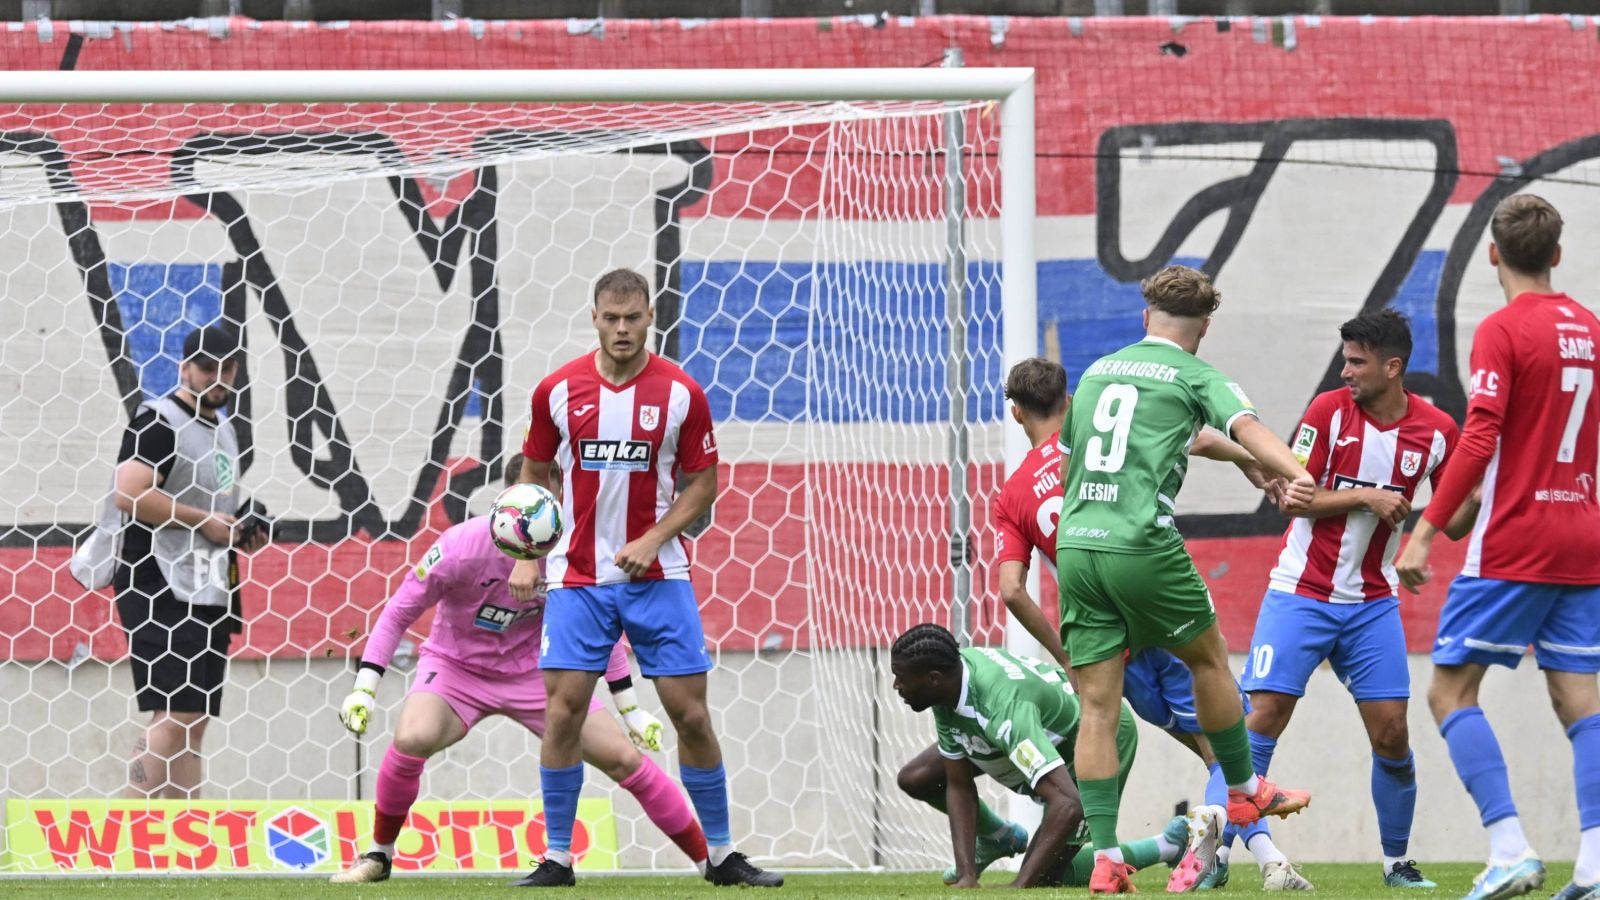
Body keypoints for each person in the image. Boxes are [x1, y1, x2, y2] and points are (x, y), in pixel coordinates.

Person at [906, 355, 1289, 887]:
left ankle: (1179, 851)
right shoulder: (1096, 443)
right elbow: (1197, 440)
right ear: (1068, 402)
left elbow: (1011, 589)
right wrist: (1247, 461)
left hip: (1100, 628)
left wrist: (1064, 654)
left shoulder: (1013, 493)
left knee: (1122, 728)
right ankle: (1244, 853)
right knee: (1222, 740)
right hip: (1151, 597)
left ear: (1016, 414)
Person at [508, 268, 781, 888]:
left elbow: (704, 484)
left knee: (689, 716)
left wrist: (655, 537)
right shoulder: (557, 390)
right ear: (595, 317)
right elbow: (532, 473)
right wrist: (527, 554)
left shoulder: (682, 393)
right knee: (564, 713)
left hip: (659, 577)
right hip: (576, 578)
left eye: (633, 317)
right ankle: (557, 857)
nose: (622, 328)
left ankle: (720, 856)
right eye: (611, 317)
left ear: (650, 316)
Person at [1056, 264, 1317, 894]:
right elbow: (1242, 425)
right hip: (1141, 544)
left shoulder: (1097, 372)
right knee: (1209, 663)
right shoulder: (1197, 373)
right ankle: (1247, 790)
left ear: (1147, 318)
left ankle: (1106, 859)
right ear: (1203, 326)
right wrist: (1295, 472)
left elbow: (1156, 440)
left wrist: (1249, 464)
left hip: (1076, 545)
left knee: (1097, 704)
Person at [329, 454, 705, 884]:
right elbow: (398, 612)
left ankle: (705, 859)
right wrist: (364, 688)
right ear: (504, 503)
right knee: (413, 737)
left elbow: (594, 630)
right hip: (456, 670)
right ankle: (379, 855)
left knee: (623, 758)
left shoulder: (571, 553)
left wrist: (630, 707)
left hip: (535, 674)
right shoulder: (458, 547)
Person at [1395, 194, 1600, 900]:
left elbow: (1481, 435)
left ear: (1492, 253)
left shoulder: (1504, 329)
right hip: (1584, 537)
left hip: (1517, 539)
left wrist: (1424, 534)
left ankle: (1509, 846)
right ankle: (1597, 864)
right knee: (1582, 702)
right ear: (1557, 254)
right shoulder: (1591, 328)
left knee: (1450, 690)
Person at [1242, 308, 1475, 890]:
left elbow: (1455, 521)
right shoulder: (1326, 413)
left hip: (1372, 603)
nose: (1344, 371)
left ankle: (1397, 864)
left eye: (1356, 361)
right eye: (1344, 359)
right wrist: (1366, 496)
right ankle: (1217, 847)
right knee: (1259, 719)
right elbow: (1295, 498)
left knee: (1392, 732)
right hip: (1300, 592)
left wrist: (1487, 481)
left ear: (1392, 367)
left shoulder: (1437, 431)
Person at [889, 623, 1226, 891]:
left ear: (932, 680)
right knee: (917, 777)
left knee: (1049, 875)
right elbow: (958, 783)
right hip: (1032, 734)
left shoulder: (1002, 709)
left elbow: (1069, 802)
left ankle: (1167, 843)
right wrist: (966, 875)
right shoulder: (950, 682)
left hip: (1101, 736)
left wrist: (1019, 887)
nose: (895, 686)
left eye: (900, 679)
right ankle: (997, 837)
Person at [112, 324, 266, 799]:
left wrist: (244, 526)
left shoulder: (224, 428)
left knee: (195, 719)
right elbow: (128, 494)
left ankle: (183, 843)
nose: (217, 377)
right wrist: (203, 522)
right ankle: (126, 828)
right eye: (207, 367)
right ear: (185, 368)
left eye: (227, 367)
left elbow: (207, 499)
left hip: (208, 580)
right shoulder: (157, 421)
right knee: (175, 709)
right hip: (156, 577)